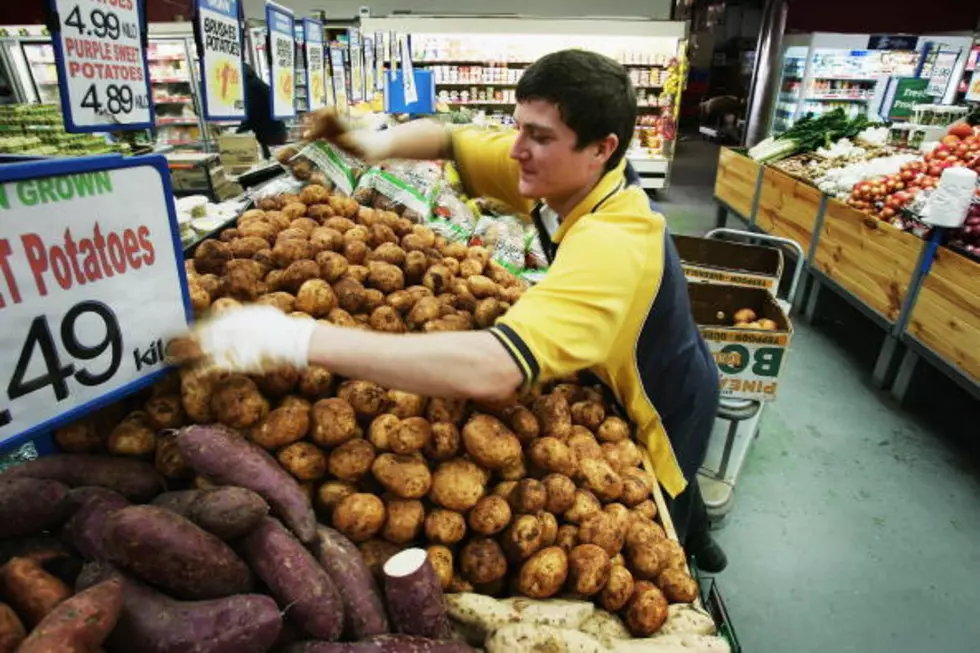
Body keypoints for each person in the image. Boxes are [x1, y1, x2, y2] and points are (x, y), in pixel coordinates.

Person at [192, 49, 727, 572]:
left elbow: (494, 368)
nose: (518, 149)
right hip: (610, 353)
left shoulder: (616, 242)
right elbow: (451, 136)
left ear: (601, 148)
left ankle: (696, 542)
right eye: (519, 127)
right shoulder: (567, 170)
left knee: (669, 497)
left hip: (661, 397)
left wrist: (294, 340)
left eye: (539, 137)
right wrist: (372, 142)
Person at [238, 63, 287, 159]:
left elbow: (252, 112)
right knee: (271, 161)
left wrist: (239, 132)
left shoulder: (250, 87)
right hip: (276, 131)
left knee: (268, 161)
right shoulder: (258, 83)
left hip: (269, 134)